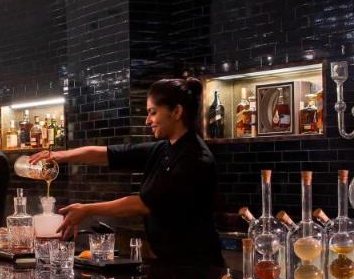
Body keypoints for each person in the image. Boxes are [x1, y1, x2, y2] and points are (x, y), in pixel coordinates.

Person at [30, 77, 223, 267]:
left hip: (198, 267)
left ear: (177, 111)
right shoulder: (164, 148)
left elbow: (141, 205)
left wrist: (87, 209)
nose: (148, 120)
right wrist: (59, 155)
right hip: (171, 262)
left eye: (153, 112)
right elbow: (105, 154)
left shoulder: (195, 159)